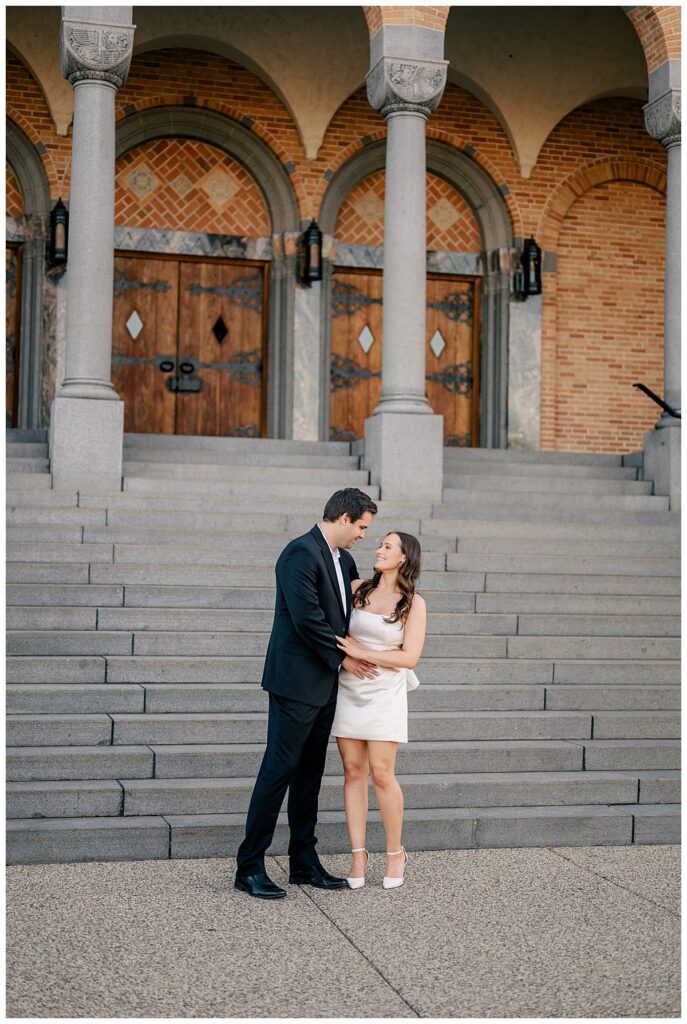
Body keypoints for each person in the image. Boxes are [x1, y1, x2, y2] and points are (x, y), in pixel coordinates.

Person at [234, 487, 379, 899]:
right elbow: (307, 619)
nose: (364, 537)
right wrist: (344, 660)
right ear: (345, 519)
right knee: (278, 772)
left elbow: (358, 608)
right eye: (363, 527)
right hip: (295, 682)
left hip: (325, 687)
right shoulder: (299, 553)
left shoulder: (344, 560)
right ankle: (249, 866)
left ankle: (303, 862)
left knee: (310, 776)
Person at [333, 532, 426, 890]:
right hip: (350, 686)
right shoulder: (357, 588)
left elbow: (410, 657)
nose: (379, 549)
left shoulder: (413, 602)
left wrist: (364, 653)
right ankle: (358, 856)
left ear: (404, 557)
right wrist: (348, 656)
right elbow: (336, 631)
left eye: (388, 546)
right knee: (353, 771)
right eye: (380, 544)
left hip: (386, 691)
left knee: (382, 773)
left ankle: (394, 853)